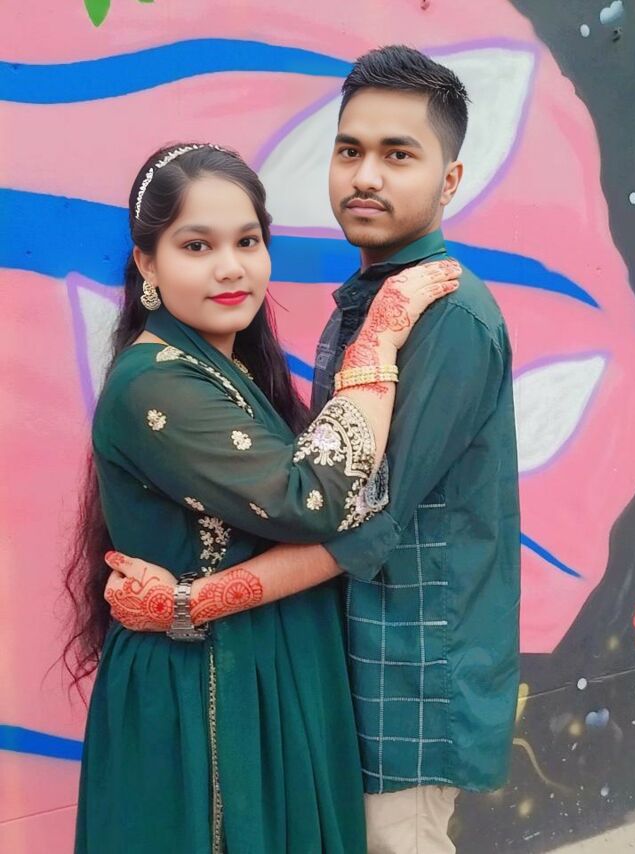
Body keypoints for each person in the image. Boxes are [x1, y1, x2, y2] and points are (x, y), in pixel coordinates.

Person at [113, 46, 521, 852]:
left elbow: (360, 521)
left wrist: (191, 602)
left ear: (448, 181)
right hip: (350, 665)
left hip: (411, 678)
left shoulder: (445, 317)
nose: (366, 176)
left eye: (398, 155)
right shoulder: (368, 303)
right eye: (350, 150)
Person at [63, 141, 459, 854]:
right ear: (147, 264)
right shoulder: (155, 385)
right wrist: (378, 340)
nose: (231, 267)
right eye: (197, 245)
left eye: (248, 241)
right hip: (206, 694)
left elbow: (349, 511)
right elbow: (318, 500)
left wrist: (195, 599)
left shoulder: (228, 370)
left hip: (267, 667)